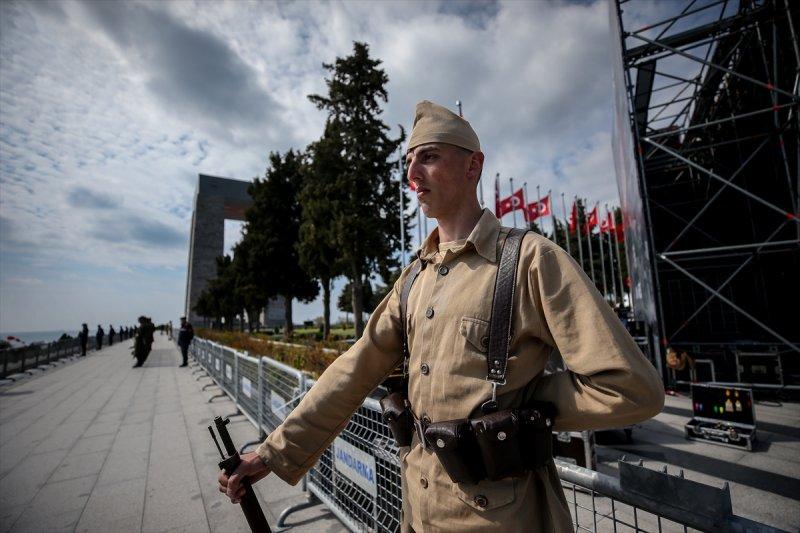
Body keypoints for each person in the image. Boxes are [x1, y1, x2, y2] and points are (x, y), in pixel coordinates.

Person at [217, 101, 664, 532]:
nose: (412, 173)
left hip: (500, 520)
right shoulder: (415, 278)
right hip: (418, 510)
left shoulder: (530, 260)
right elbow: (355, 369)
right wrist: (272, 453)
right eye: (409, 161)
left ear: (473, 166)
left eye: (428, 157)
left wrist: (524, 405)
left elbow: (629, 387)